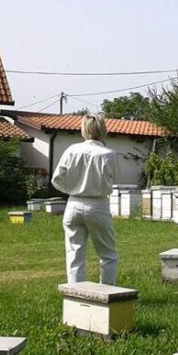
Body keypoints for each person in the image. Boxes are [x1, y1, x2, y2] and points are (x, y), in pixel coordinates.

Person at [51, 113, 119, 285]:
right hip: (97, 204)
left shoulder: (71, 150)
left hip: (73, 203)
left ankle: (75, 295)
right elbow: (115, 178)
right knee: (108, 255)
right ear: (104, 130)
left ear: (83, 129)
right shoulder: (108, 154)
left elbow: (56, 179)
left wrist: (72, 189)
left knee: (74, 254)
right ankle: (107, 294)